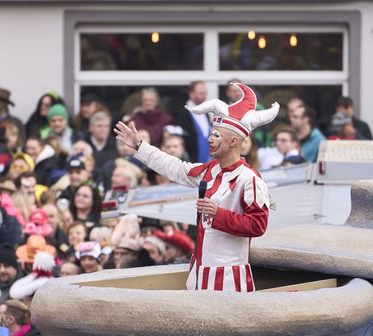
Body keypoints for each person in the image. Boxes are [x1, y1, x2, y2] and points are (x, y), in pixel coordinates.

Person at [115, 82, 277, 292]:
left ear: (235, 141)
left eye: (216, 135)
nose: (210, 139)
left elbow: (258, 225)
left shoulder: (250, 179)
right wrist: (140, 147)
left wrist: (219, 214)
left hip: (229, 277)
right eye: (211, 133)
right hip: (200, 271)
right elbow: (175, 167)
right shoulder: (211, 170)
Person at [176, 80, 212, 163]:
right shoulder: (182, 114)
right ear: (191, 94)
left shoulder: (206, 113)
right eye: (200, 93)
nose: (204, 96)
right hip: (191, 162)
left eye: (205, 93)